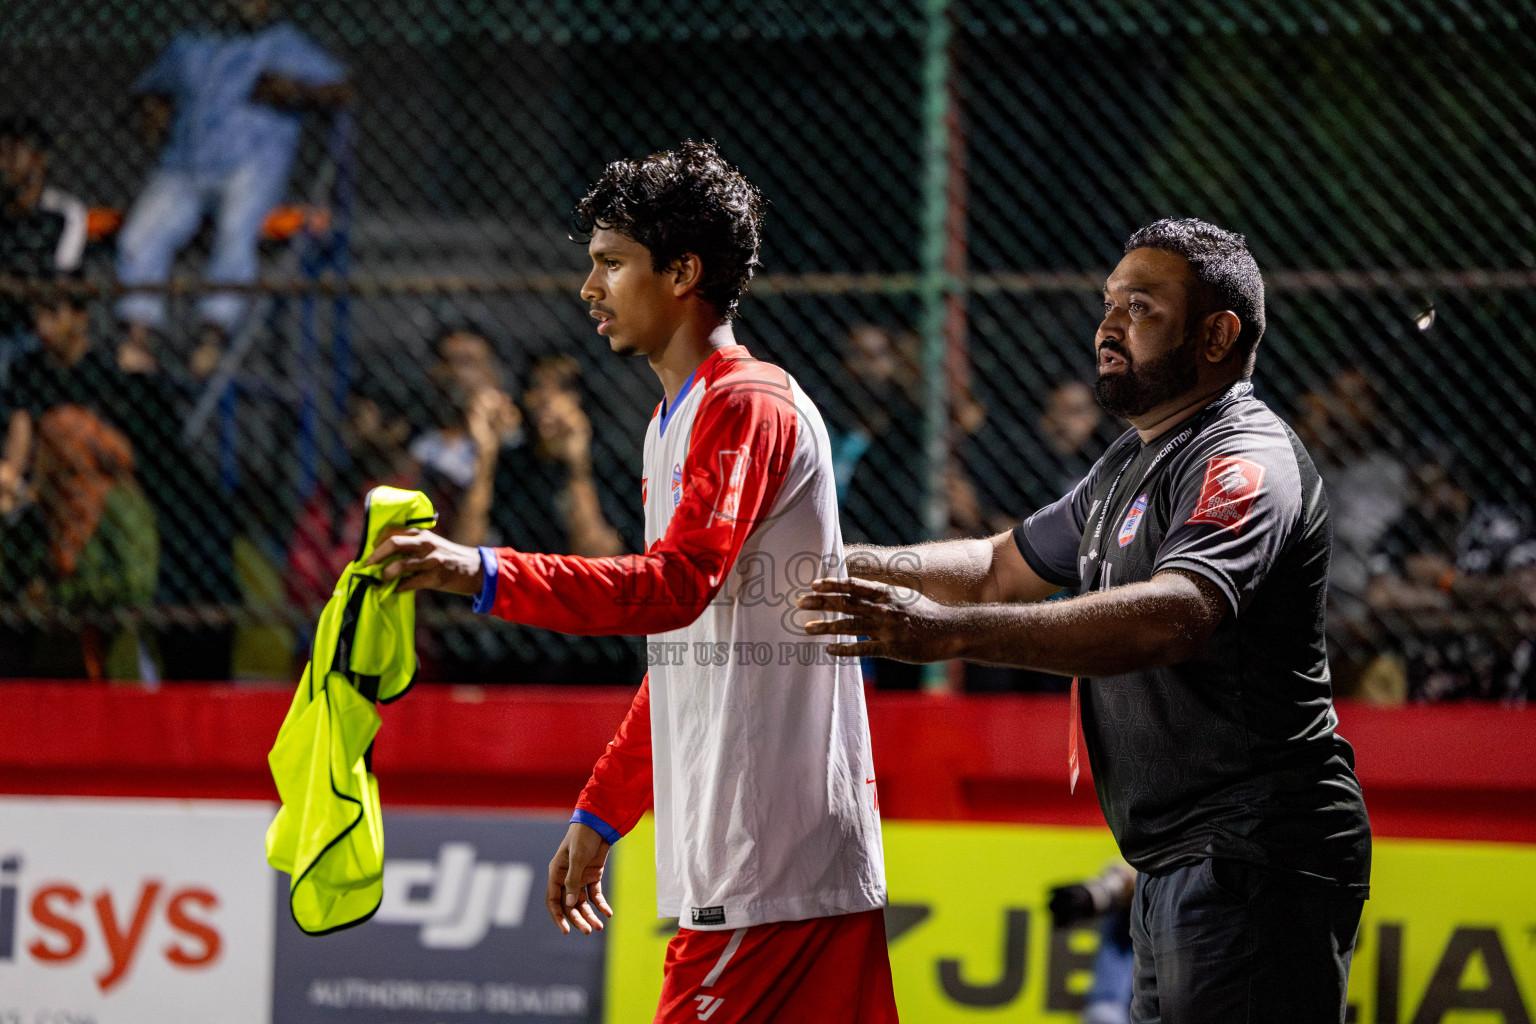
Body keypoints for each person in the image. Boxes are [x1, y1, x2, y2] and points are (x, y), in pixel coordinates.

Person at [367, 141, 896, 1022]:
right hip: (781, 862)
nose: (589, 289)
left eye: (611, 264)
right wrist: (604, 809)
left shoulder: (743, 404)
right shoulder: (674, 421)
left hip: (766, 864)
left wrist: (484, 570)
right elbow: (685, 649)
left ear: (682, 272)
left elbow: (673, 588)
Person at [801, 218, 1371, 1023]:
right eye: (1109, 303)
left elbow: (1175, 614)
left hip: (1255, 854)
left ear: (1217, 334)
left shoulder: (1246, 458)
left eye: (1140, 308)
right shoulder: (1130, 461)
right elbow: (998, 564)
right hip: (1178, 859)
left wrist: (946, 631)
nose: (1107, 326)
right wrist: (824, 564)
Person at [114, 0, 350, 373]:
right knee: (140, 236)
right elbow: (148, 88)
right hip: (184, 167)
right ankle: (138, 338)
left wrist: (296, 91)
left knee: (235, 230)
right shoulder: (190, 44)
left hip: (252, 164)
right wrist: (153, 110)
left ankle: (213, 333)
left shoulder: (282, 43)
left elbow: (342, 89)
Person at [0, 115, 89, 388]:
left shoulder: (64, 212)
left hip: (34, 324)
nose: (4, 161)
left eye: (12, 151)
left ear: (38, 159)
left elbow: (63, 279)